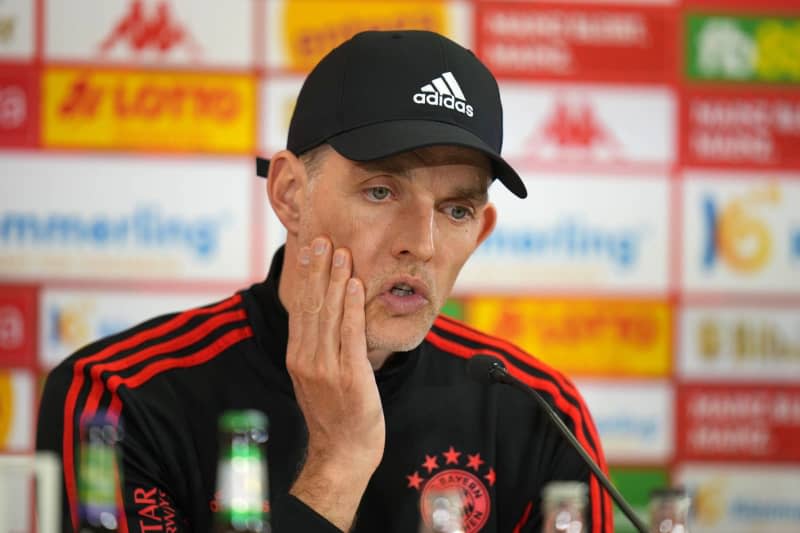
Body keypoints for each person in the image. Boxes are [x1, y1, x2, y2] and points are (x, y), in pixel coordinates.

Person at [37, 30, 612, 532]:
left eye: (455, 210)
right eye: (382, 191)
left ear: (481, 230)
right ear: (290, 193)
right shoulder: (115, 399)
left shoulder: (540, 414)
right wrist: (336, 463)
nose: (423, 243)